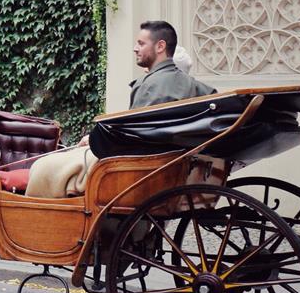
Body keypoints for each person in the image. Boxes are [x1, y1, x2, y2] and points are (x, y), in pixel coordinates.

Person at [22, 20, 214, 199]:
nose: (135, 48)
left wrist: (96, 139)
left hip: (137, 167)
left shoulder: (152, 83)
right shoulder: (194, 86)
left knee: (43, 166)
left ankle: (44, 224)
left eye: (141, 43)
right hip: (167, 163)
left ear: (160, 46)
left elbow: (134, 136)